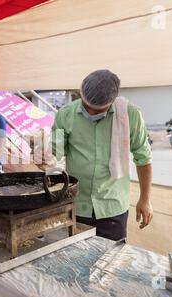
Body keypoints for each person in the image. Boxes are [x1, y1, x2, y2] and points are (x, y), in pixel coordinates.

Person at [41, 69, 153, 241]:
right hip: (76, 204)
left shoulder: (130, 115)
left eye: (98, 110)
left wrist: (145, 200)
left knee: (109, 260)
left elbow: (143, 159)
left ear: (113, 101)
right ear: (81, 95)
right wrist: (44, 156)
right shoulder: (65, 114)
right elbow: (54, 150)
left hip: (112, 206)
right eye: (87, 107)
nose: (91, 113)